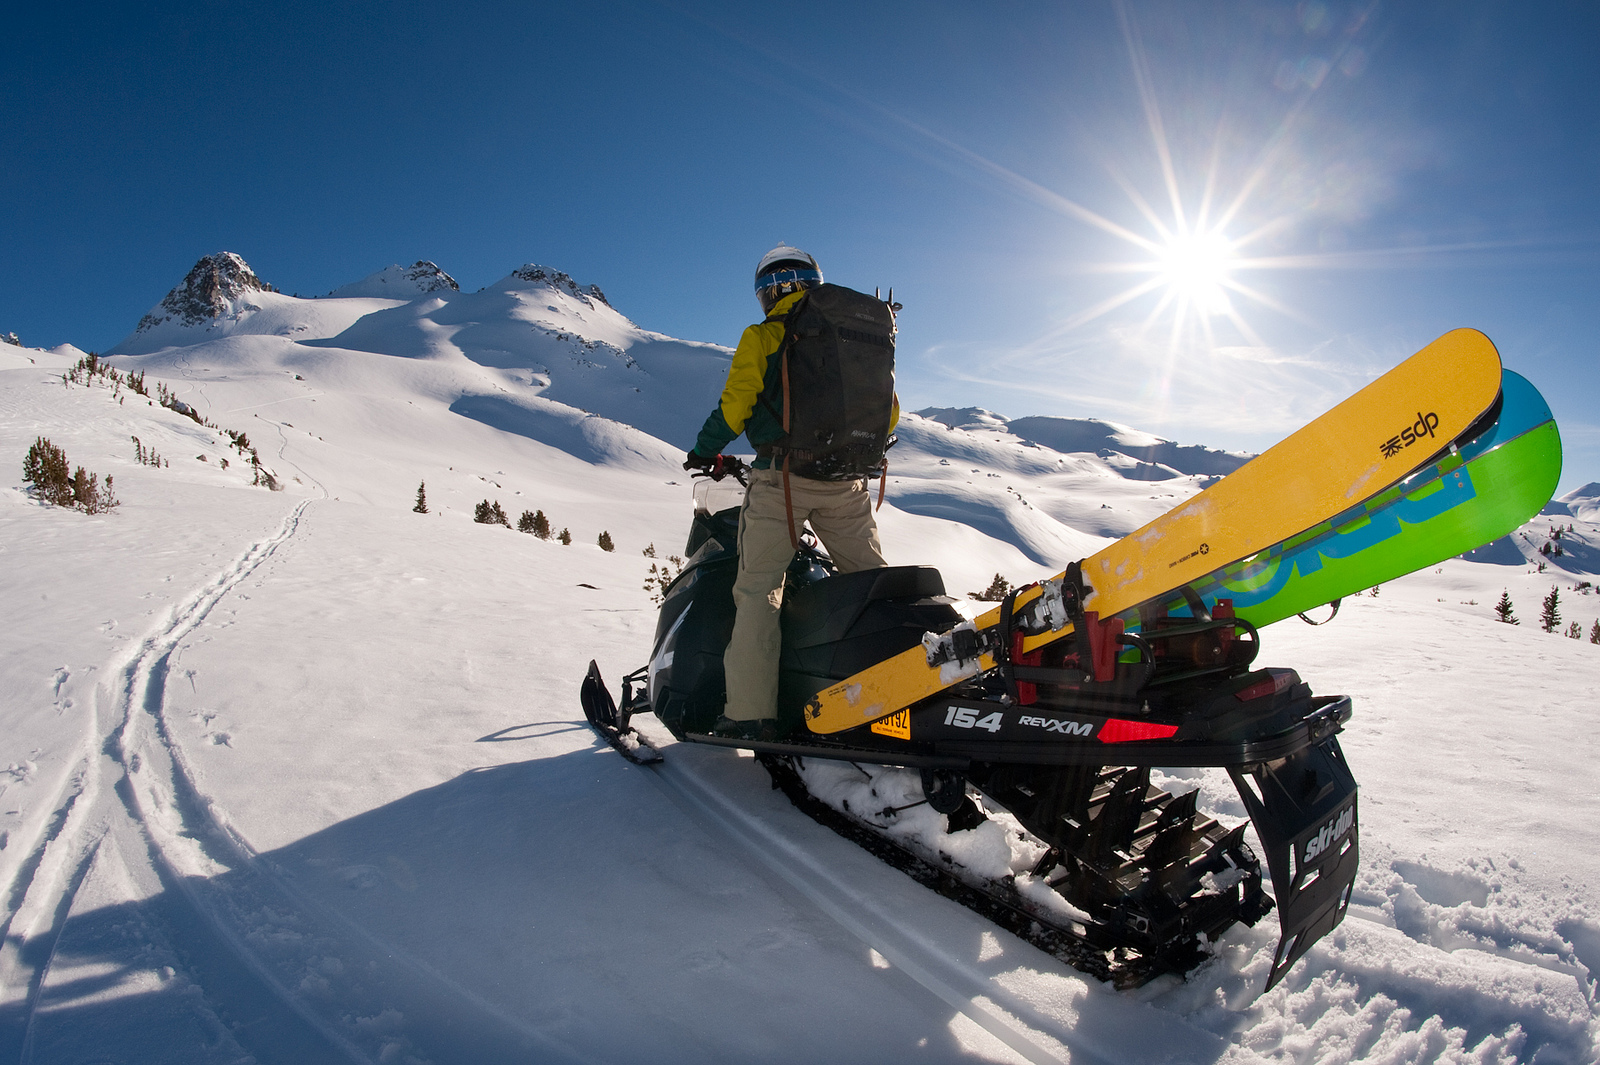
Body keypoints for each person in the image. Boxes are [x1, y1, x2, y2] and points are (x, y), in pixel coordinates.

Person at [684, 245, 898, 740]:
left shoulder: (765, 335)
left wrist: (704, 449)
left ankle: (748, 714)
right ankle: (897, 690)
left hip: (782, 480)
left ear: (768, 292)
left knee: (759, 592)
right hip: (848, 483)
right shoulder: (856, 334)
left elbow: (737, 402)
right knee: (871, 585)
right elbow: (890, 413)